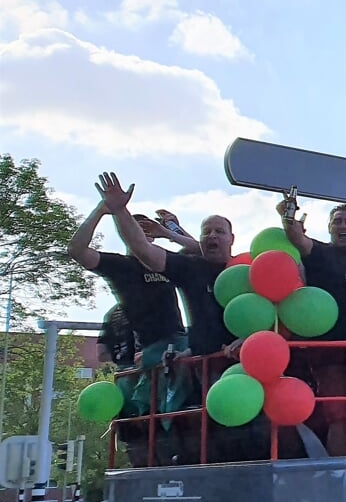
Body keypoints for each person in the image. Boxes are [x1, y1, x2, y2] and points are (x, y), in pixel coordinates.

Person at [95, 173, 245, 462]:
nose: (212, 236)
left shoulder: (246, 268)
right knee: (199, 430)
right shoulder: (190, 268)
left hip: (247, 367)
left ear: (232, 238)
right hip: (203, 367)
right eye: (207, 232)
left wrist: (247, 340)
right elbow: (144, 249)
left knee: (242, 432)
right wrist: (119, 210)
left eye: (219, 231)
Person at [68, 197, 193, 467]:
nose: (143, 236)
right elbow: (77, 250)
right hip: (152, 347)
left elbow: (201, 253)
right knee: (151, 393)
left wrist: (172, 229)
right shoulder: (122, 267)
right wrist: (102, 209)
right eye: (136, 230)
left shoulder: (165, 263)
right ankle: (159, 441)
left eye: (147, 231)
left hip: (179, 340)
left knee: (198, 350)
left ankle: (179, 437)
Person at [278, 197, 346, 455]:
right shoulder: (318, 251)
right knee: (339, 415)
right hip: (325, 354)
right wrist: (288, 215)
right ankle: (337, 473)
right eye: (337, 221)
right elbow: (296, 236)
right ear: (329, 227)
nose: (344, 226)